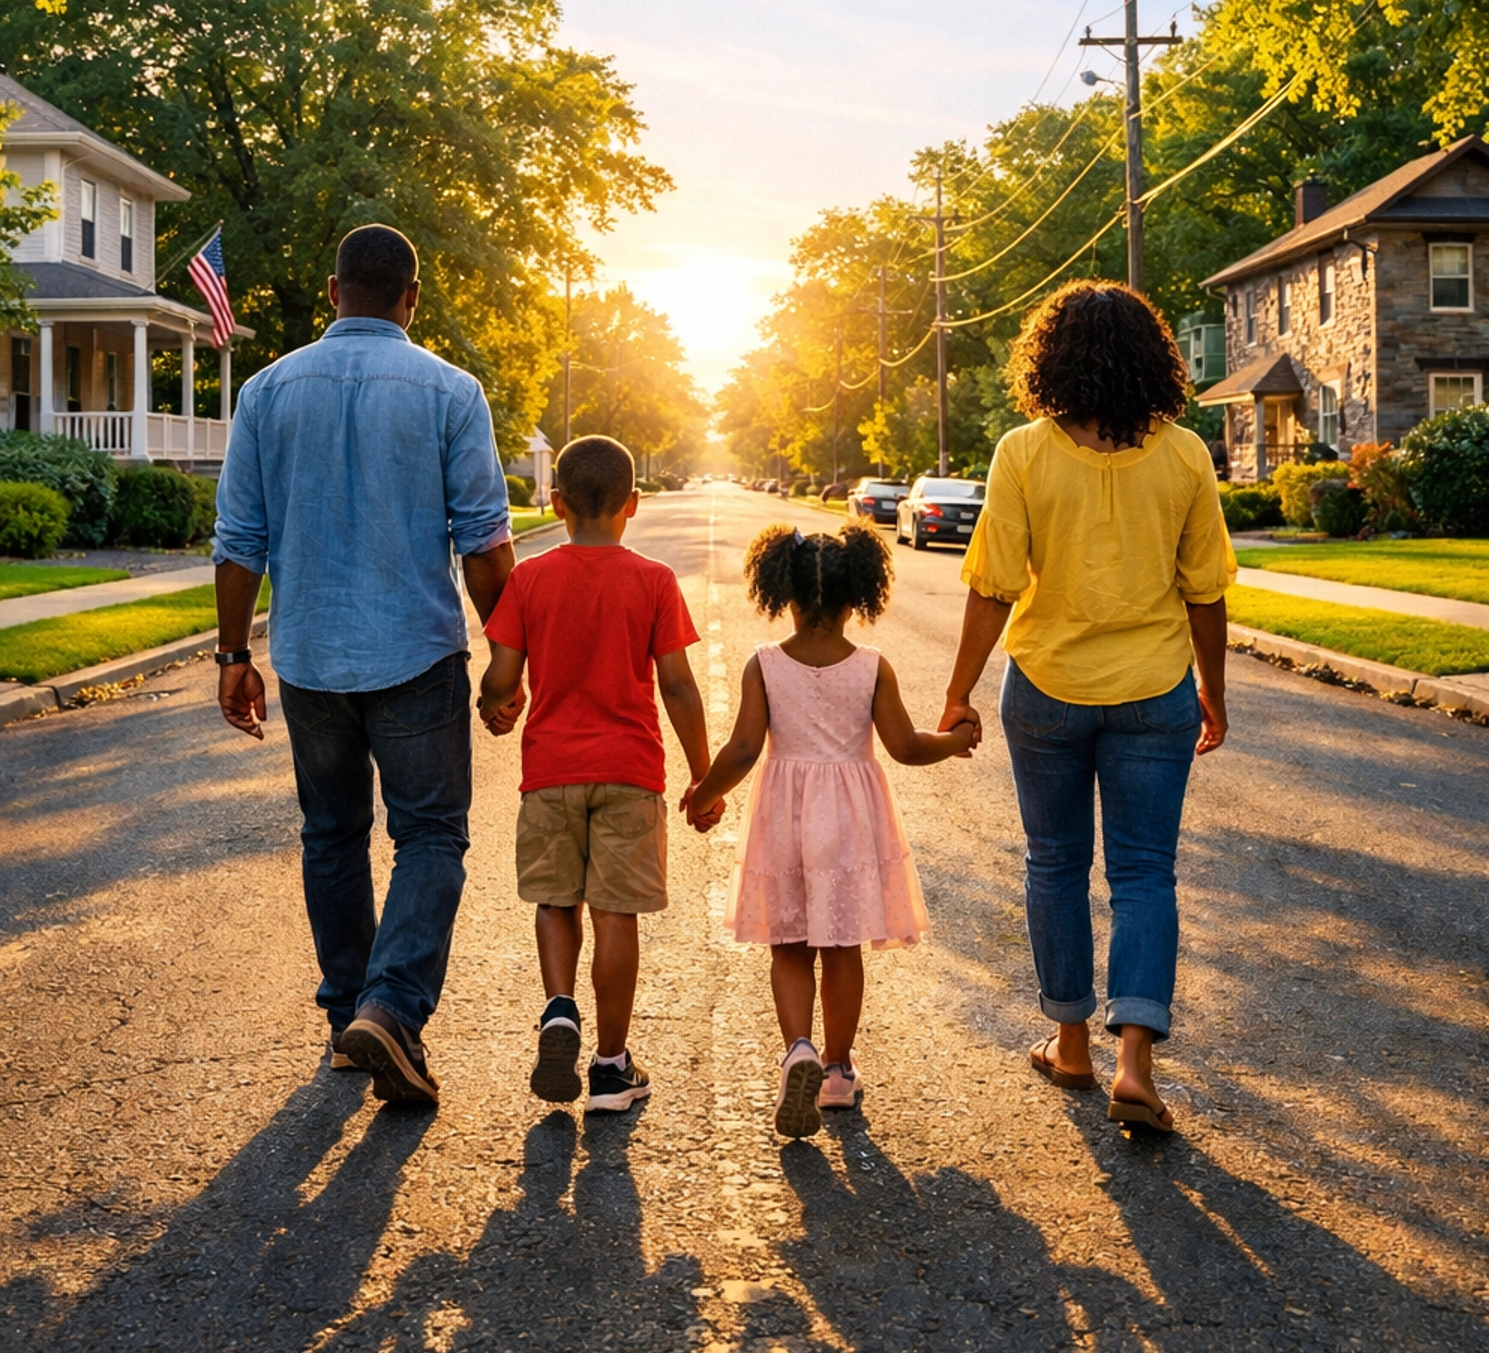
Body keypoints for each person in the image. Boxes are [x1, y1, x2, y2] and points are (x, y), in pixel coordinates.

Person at [213, 223, 514, 1109]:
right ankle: (389, 1007)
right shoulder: (451, 391)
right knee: (429, 835)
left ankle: (350, 1013)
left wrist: (235, 654)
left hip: (308, 658)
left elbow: (239, 541)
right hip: (416, 654)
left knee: (331, 834)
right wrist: (509, 656)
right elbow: (486, 545)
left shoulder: (267, 391)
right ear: (411, 300)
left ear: (336, 292)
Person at [939, 280, 1236, 1135]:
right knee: (1146, 872)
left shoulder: (1023, 452)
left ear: (1051, 358)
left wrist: (958, 689)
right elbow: (1206, 593)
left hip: (1046, 690)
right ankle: (1135, 1064)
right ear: (1154, 360)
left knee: (1056, 864)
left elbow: (993, 588)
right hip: (1154, 692)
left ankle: (1071, 1044)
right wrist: (1211, 687)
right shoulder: (1184, 456)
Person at [683, 522, 975, 1138]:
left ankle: (798, 1051)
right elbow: (904, 747)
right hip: (849, 817)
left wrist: (703, 793)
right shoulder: (872, 667)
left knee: (788, 945)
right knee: (841, 946)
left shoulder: (764, 664)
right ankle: (839, 1071)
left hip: (784, 816)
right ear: (856, 598)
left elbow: (741, 750)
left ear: (785, 594)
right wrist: (953, 742)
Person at [475, 435, 709, 1113]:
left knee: (556, 901)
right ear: (632, 505)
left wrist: (496, 706)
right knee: (616, 914)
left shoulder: (530, 579)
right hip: (631, 771)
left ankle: (558, 1010)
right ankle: (610, 1065)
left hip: (550, 771)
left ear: (556, 502)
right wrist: (703, 776)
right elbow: (679, 687)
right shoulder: (654, 581)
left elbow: (500, 676)